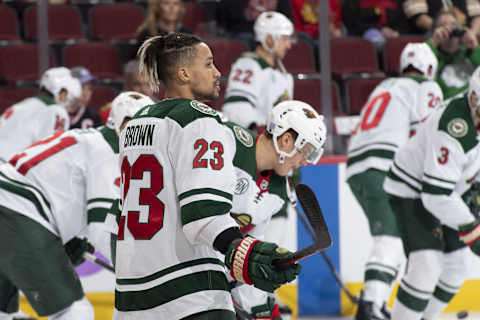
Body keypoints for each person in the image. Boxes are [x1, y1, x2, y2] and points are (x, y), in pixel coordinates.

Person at [114, 32, 303, 320]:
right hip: (189, 291)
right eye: (209, 64)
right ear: (184, 73)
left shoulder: (137, 123)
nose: (217, 73)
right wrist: (243, 250)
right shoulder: (199, 119)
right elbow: (203, 214)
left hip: (131, 292)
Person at [0, 90, 154, 320]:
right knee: (73, 311)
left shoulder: (91, 140)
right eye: (132, 125)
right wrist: (140, 273)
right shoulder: (109, 152)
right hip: (15, 211)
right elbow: (103, 229)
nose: (139, 134)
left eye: (147, 128)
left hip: (12, 206)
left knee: (3, 309)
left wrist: (72, 239)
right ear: (115, 123)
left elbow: (63, 194)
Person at [346, 42, 443, 320]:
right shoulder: (426, 87)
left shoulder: (385, 87)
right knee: (389, 239)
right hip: (385, 167)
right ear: (429, 68)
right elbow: (426, 135)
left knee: (394, 237)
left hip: (357, 168)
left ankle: (376, 301)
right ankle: (371, 306)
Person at [382, 66, 480, 320]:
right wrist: (472, 228)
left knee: (457, 267)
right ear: (473, 98)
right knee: (427, 265)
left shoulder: (472, 115)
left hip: (449, 193)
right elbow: (434, 195)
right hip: (412, 191)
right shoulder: (454, 127)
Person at [228, 100, 326, 320]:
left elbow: (249, 245)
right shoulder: (230, 142)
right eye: (305, 152)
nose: (303, 162)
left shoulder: (278, 189)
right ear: (286, 139)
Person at [222, 11, 294, 130]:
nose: (288, 45)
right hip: (256, 144)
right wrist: (258, 133)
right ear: (269, 39)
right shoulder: (248, 64)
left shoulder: (281, 71)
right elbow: (235, 107)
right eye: (284, 39)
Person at [0, 67, 80, 163]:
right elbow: (51, 157)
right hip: (6, 169)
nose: (70, 107)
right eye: (71, 100)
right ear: (62, 94)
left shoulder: (22, 105)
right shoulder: (56, 111)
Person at [427, 10, 480, 99]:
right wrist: (433, 42)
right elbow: (420, 65)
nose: (450, 29)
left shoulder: (470, 52)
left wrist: (475, 47)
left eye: (453, 24)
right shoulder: (433, 56)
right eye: (443, 25)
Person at [217, 0, 293, 49]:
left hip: (273, 31)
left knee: (302, 36)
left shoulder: (280, 2)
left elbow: (288, 19)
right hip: (243, 30)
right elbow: (223, 16)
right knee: (246, 38)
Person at [401, 0, 480, 36]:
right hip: (433, 34)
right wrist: (447, 30)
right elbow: (420, 19)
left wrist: (471, 33)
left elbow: (477, 17)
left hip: (463, 35)